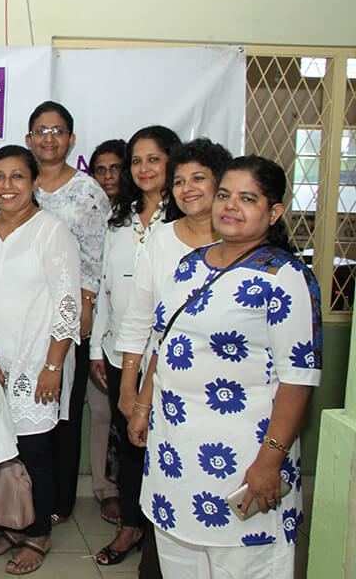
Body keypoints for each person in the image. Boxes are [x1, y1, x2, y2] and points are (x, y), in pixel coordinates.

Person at [128, 155, 321, 578]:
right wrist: (144, 405)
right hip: (174, 453)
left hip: (242, 457)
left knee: (244, 565)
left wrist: (270, 461)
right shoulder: (190, 265)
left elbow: (298, 379)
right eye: (224, 195)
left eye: (247, 198)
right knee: (181, 562)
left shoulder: (285, 277)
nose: (231, 206)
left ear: (273, 212)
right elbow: (164, 342)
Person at [112, 139, 232, 575]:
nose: (187, 188)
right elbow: (137, 319)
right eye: (179, 180)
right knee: (169, 496)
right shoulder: (161, 239)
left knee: (220, 498)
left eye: (198, 178)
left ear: (222, 183)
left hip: (228, 400)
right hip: (165, 390)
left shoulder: (244, 240)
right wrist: (130, 387)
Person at [0, 145, 81, 575]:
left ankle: (38, 534)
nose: (7, 185)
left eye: (17, 176)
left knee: (34, 451)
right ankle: (11, 523)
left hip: (37, 362)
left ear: (34, 182)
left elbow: (67, 306)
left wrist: (52, 368)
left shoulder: (52, 231)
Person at [89, 125, 180, 565]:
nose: (144, 169)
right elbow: (105, 286)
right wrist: (95, 351)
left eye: (154, 159)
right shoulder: (118, 219)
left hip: (170, 358)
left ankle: (166, 535)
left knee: (167, 448)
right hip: (120, 351)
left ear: (172, 162)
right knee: (128, 447)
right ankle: (130, 526)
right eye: (137, 161)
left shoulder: (186, 221)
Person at [24, 101, 111, 525]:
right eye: (41, 130)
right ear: (29, 140)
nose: (48, 138)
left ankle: (58, 501)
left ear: (71, 140)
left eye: (57, 131)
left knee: (62, 407)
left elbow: (95, 257)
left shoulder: (88, 191)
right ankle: (19, 497)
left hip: (67, 313)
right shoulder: (19, 184)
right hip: (21, 313)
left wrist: (87, 305)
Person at [86, 138, 127, 526]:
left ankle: (125, 495)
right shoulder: (87, 209)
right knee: (100, 413)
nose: (108, 176)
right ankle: (105, 489)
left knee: (123, 415)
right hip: (83, 328)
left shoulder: (135, 218)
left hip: (123, 335)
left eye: (115, 168)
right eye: (100, 169)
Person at [89, 139, 126, 206]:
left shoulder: (140, 212)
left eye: (115, 168)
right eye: (101, 170)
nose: (108, 176)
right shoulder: (85, 210)